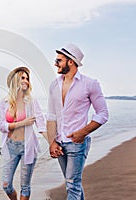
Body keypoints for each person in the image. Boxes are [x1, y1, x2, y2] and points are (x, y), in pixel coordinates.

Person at [47, 44, 109, 199]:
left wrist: (83, 132)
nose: (55, 63)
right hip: (59, 144)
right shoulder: (54, 85)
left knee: (72, 184)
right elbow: (51, 116)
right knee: (73, 184)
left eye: (59, 60)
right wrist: (52, 142)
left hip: (77, 143)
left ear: (70, 62)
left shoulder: (90, 84)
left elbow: (103, 113)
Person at [0, 66, 47, 200]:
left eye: (27, 78)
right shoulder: (5, 102)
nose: (26, 81)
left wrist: (53, 143)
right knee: (6, 184)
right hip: (10, 146)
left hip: (27, 146)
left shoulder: (32, 101)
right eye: (22, 78)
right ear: (15, 81)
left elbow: (41, 126)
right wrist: (22, 123)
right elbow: (2, 126)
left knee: (25, 186)